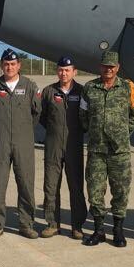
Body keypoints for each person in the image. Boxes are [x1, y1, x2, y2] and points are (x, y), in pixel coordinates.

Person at [80, 51, 134, 247]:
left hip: (119, 151)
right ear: (100, 67)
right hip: (97, 150)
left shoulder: (127, 87)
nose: (108, 69)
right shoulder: (90, 88)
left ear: (118, 67)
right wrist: (94, 132)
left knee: (121, 190)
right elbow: (83, 115)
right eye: (105, 66)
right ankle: (99, 231)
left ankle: (118, 230)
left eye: (112, 66)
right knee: (95, 191)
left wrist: (122, 133)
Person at [0, 49, 41, 239]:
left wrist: (24, 129)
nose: (9, 67)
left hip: (23, 142)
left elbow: (37, 113)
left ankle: (26, 223)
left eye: (13, 64)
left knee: (26, 183)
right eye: (6, 64)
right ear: (2, 65)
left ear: (19, 65)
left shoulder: (30, 86)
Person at [39, 56, 87, 239]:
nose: (63, 73)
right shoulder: (49, 92)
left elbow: (86, 117)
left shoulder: (82, 92)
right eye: (60, 70)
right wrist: (55, 130)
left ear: (74, 72)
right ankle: (52, 224)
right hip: (53, 145)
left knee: (76, 186)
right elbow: (42, 116)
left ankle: (77, 226)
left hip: (74, 145)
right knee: (51, 186)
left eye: (67, 70)